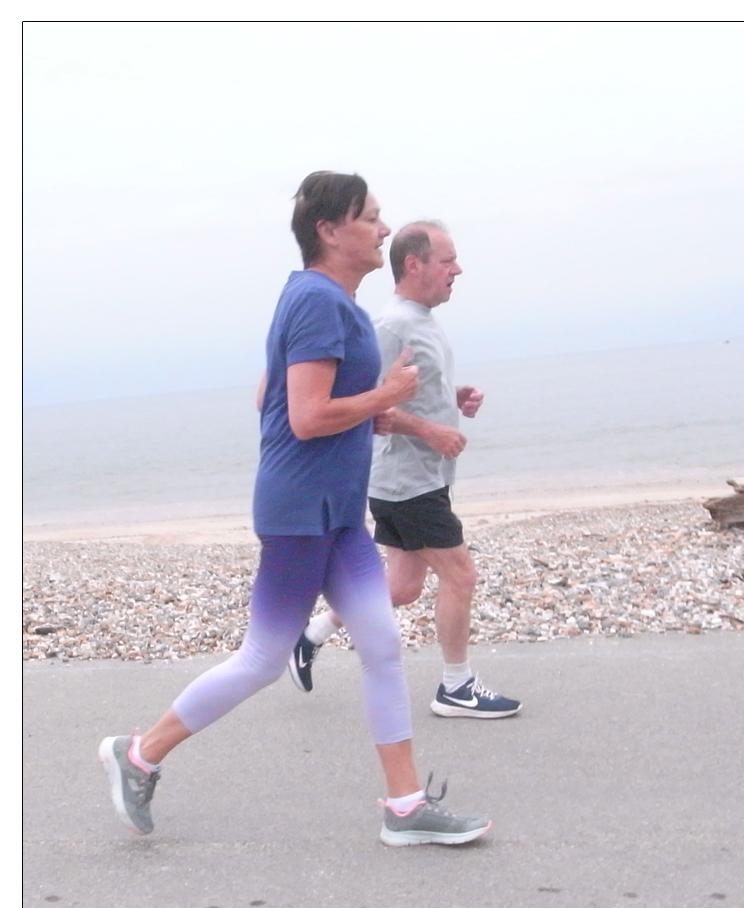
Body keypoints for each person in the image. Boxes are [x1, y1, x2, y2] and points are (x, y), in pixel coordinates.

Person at [98, 172, 491, 847]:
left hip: (336, 512)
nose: (384, 229)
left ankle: (404, 807)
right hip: (299, 510)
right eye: (371, 218)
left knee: (382, 645)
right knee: (262, 657)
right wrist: (384, 394)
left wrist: (396, 412)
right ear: (330, 231)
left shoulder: (324, 302)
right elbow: (307, 417)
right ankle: (137, 754)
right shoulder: (316, 301)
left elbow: (270, 401)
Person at [288, 222, 521, 721]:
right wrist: (432, 432)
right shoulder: (391, 327)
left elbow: (409, 389)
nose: (457, 270)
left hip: (418, 479)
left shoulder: (421, 320)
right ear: (413, 264)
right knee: (461, 575)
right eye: (447, 260)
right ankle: (456, 687)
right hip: (407, 483)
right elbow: (369, 408)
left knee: (403, 587)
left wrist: (451, 400)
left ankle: (310, 637)